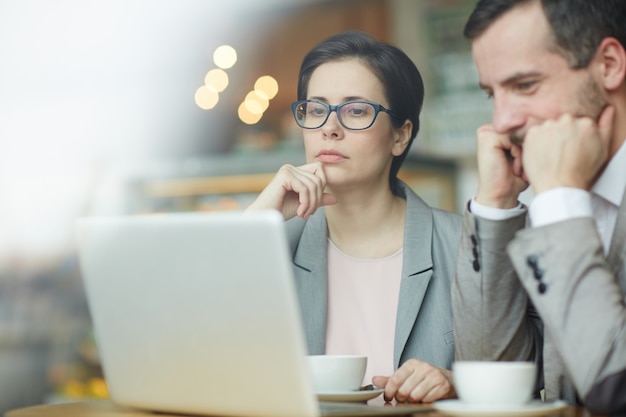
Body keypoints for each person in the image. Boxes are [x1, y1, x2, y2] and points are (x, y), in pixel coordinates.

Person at [247, 31, 461, 403]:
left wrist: (457, 383)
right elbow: (179, 339)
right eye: (316, 109)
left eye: (356, 110)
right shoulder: (271, 244)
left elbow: (526, 363)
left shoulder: (465, 245)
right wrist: (256, 221)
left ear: (401, 136)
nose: (330, 127)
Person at [452, 0, 626, 414]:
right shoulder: (545, 210)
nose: (503, 119)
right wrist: (496, 205)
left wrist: (558, 201)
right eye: (492, 94)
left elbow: (616, 393)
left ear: (608, 64)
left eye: (525, 85)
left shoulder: (555, 207)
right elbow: (495, 383)